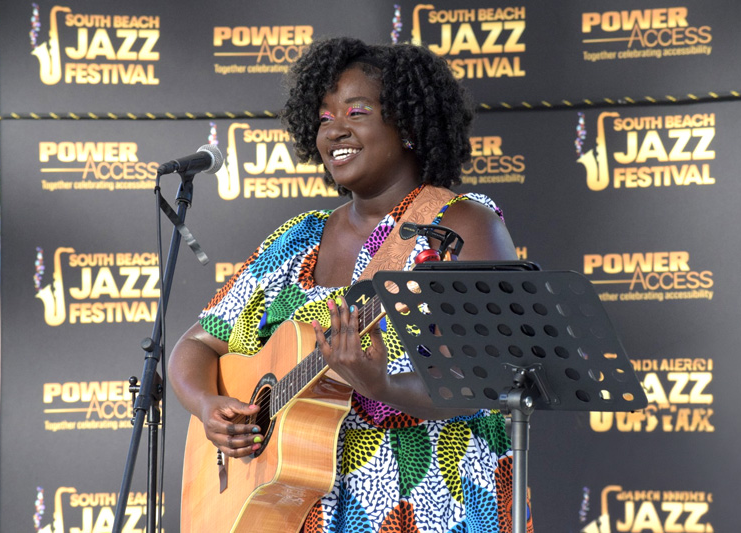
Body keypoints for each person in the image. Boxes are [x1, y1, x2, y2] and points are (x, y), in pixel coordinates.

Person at [168, 36, 533, 533]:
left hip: (432, 505)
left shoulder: (460, 225)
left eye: (357, 112)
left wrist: (381, 384)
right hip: (301, 509)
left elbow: (485, 379)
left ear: (408, 125)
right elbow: (196, 344)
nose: (335, 129)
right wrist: (208, 406)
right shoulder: (297, 240)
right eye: (323, 119)